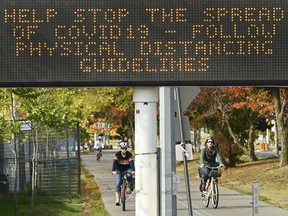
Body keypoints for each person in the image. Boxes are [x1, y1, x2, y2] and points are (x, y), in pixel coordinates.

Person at [112, 142, 135, 206]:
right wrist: (113, 170)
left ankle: (129, 187)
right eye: (122, 148)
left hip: (127, 168)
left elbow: (132, 163)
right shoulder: (117, 154)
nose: (124, 150)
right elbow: (114, 163)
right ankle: (117, 200)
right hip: (118, 169)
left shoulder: (129, 154)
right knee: (119, 182)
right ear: (121, 149)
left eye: (125, 148)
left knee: (129, 175)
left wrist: (133, 170)